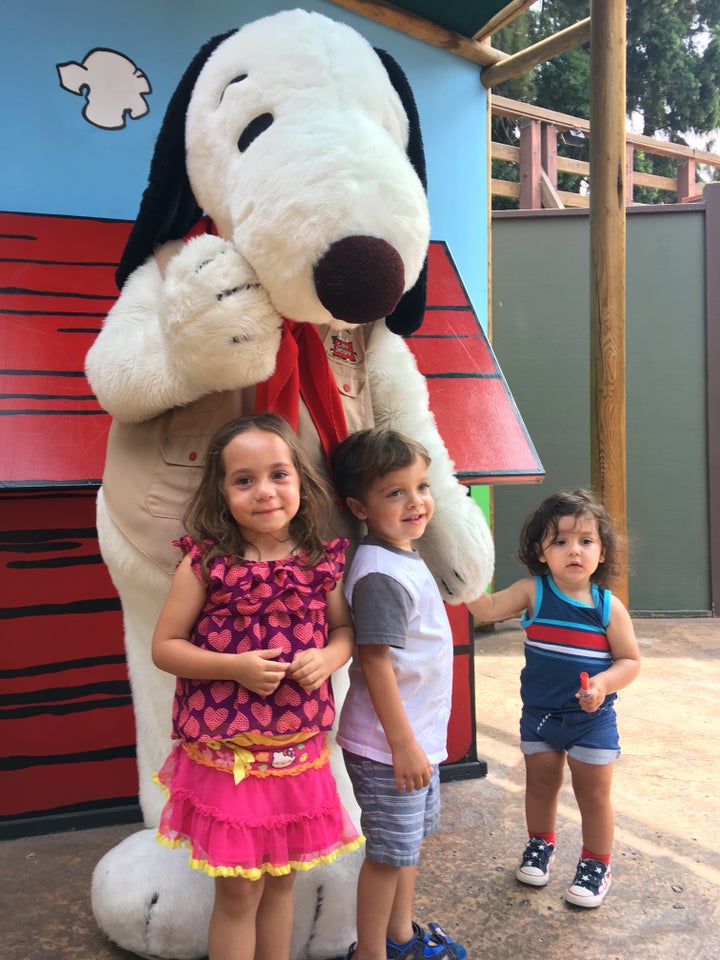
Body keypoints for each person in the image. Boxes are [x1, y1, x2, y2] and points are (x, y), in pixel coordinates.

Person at [151, 413, 362, 960]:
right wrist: (236, 666)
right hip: (230, 759)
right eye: (244, 480)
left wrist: (329, 656)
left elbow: (344, 631)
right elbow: (166, 646)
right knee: (240, 889)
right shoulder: (206, 564)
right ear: (222, 494)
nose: (264, 491)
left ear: (301, 481)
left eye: (278, 475)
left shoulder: (321, 561)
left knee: (283, 881)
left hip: (297, 757)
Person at [467, 489, 641, 908]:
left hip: (591, 719)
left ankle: (596, 863)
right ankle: (540, 845)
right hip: (541, 716)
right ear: (541, 553)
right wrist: (457, 574)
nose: (573, 550)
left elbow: (630, 661)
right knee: (541, 787)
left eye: (585, 541)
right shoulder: (533, 591)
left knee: (593, 796)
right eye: (559, 542)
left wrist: (601, 685)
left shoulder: (607, 606)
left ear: (602, 551)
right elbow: (486, 609)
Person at [331, 427, 467, 960]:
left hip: (412, 743)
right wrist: (405, 746)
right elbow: (375, 662)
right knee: (387, 856)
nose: (416, 502)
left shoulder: (404, 556)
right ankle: (371, 954)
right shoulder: (380, 573)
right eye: (395, 492)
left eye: (422, 486)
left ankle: (401, 937)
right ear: (358, 507)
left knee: (404, 850)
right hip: (390, 748)